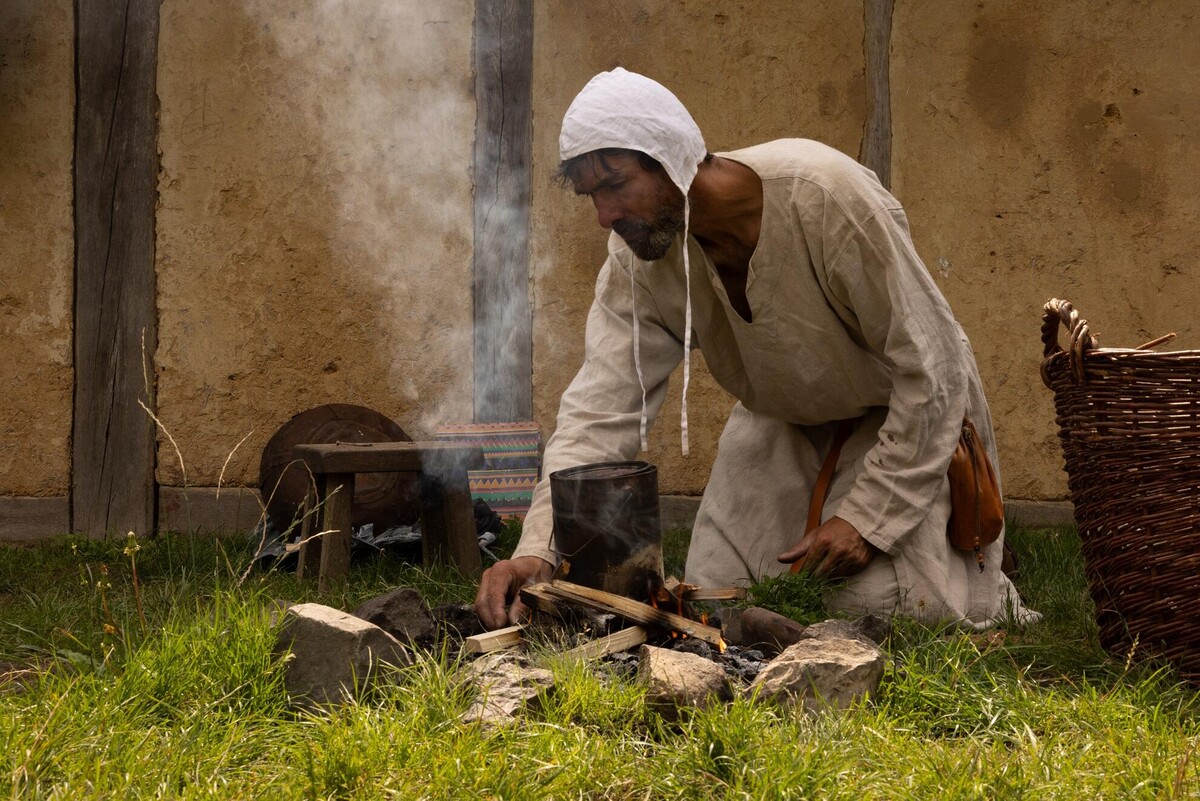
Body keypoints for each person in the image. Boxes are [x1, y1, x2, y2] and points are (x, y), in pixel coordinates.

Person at [475, 67, 1036, 630]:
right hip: (783, 419)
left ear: (672, 159)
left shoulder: (826, 197)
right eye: (591, 195)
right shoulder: (638, 258)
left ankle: (975, 569)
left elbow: (933, 370)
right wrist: (542, 548)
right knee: (718, 593)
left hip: (903, 415)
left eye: (615, 185)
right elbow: (602, 406)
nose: (605, 215)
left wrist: (867, 520)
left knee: (880, 607)